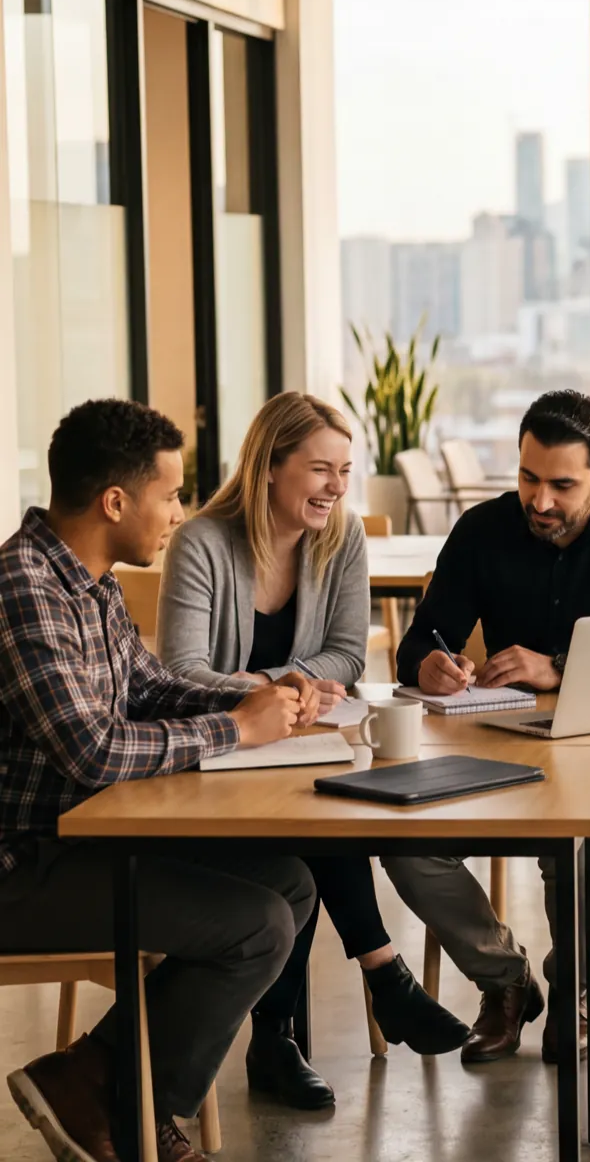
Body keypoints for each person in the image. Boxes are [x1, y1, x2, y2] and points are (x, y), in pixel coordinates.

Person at [0, 400, 318, 1162]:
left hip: (86, 843)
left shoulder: (90, 581)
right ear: (116, 502)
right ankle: (143, 1114)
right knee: (259, 926)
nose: (180, 512)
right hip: (23, 867)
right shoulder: (24, 588)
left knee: (291, 883)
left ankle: (90, 1077)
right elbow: (92, 750)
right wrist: (239, 729)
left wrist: (262, 693)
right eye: (171, 495)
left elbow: (149, 689)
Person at [156, 392, 471, 1110]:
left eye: (346, 470)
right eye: (320, 468)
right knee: (306, 838)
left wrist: (283, 690)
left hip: (297, 748)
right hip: (215, 754)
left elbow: (347, 655)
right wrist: (278, 691)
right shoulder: (204, 540)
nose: (336, 485)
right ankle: (379, 976)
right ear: (270, 467)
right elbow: (178, 673)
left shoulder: (342, 536)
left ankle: (279, 1039)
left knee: (322, 818)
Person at [387, 389, 590, 1066]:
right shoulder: (481, 529)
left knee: (589, 852)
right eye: (528, 478)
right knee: (405, 844)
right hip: (494, 744)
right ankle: (506, 983)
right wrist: (433, 664)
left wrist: (559, 667)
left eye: (562, 485)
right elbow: (416, 645)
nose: (541, 501)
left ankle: (576, 988)